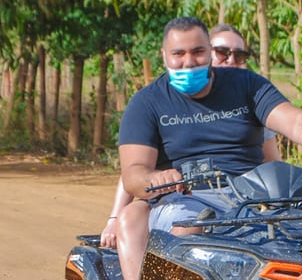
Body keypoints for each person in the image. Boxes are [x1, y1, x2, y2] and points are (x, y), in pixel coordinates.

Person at [116, 16, 302, 280]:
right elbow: (133, 173)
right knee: (188, 227)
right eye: (178, 54)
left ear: (209, 51)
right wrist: (156, 178)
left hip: (256, 191)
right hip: (191, 197)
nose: (188, 62)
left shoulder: (245, 85)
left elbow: (292, 120)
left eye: (197, 52)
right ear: (164, 56)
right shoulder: (147, 103)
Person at [99, 23, 278, 248]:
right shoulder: (160, 101)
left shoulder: (254, 100)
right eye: (223, 53)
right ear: (209, 53)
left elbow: (272, 165)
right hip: (186, 198)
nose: (231, 60)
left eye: (239, 55)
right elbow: (134, 170)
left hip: (244, 199)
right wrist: (114, 218)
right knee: (135, 216)